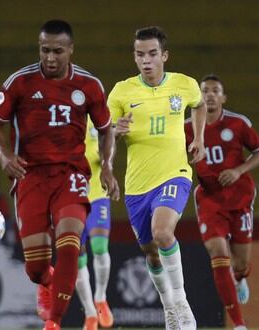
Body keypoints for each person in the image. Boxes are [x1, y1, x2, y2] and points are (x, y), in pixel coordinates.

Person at [0, 19, 119, 330]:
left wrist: (107, 166)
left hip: (70, 174)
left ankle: (54, 323)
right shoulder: (21, 82)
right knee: (35, 268)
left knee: (71, 241)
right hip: (30, 177)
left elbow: (105, 129)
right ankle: (47, 281)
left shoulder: (88, 85)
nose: (50, 58)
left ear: (70, 50)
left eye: (58, 51)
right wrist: (4, 156)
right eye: (45, 50)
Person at [109, 26, 207, 330]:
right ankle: (168, 308)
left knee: (163, 232)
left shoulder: (183, 85)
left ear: (164, 55)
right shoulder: (121, 92)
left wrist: (199, 138)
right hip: (137, 185)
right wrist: (113, 131)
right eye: (140, 55)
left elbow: (200, 104)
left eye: (152, 54)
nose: (146, 61)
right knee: (151, 252)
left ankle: (180, 302)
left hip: (174, 174)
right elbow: (103, 132)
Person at [185, 74, 259, 330]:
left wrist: (238, 171)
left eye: (215, 91)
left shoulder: (238, 124)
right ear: (198, 96)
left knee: (240, 263)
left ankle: (241, 277)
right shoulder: (186, 127)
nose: (209, 95)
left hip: (239, 197)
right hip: (210, 200)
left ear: (223, 97)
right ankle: (239, 324)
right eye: (205, 90)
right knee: (219, 254)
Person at [75, 119, 114, 330]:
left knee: (100, 247)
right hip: (72, 197)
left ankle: (100, 297)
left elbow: (109, 139)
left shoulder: (96, 116)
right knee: (77, 255)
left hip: (97, 193)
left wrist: (106, 153)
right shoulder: (62, 119)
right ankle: (90, 313)